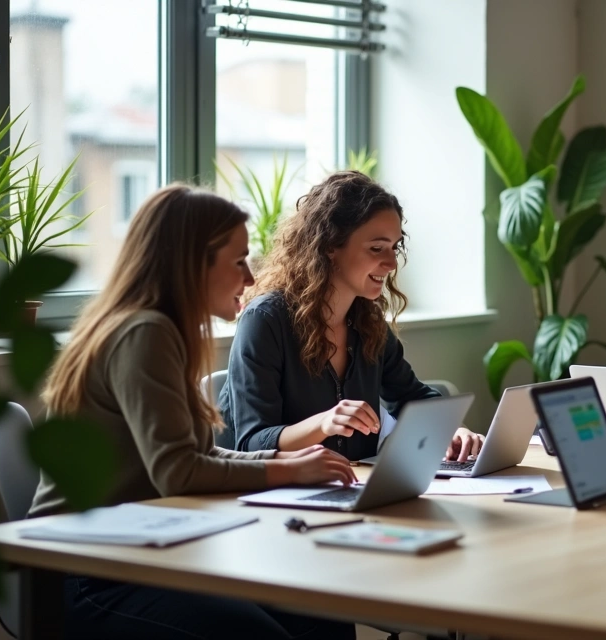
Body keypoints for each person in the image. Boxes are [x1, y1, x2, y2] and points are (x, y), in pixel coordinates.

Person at [29, 185, 357, 639]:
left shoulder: (163, 330)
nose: (250, 276)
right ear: (192, 262)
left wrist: (284, 463)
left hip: (146, 551)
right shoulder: (145, 331)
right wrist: (285, 473)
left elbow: (196, 457)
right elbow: (177, 472)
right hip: (87, 570)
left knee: (321, 615)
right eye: (239, 260)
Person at [221, 171, 483, 462]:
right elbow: (252, 442)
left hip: (354, 486)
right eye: (376, 248)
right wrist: (323, 423)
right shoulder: (266, 321)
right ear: (331, 245)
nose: (391, 262)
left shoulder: (368, 323)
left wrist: (454, 430)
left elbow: (412, 395)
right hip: (284, 495)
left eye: (394, 247)